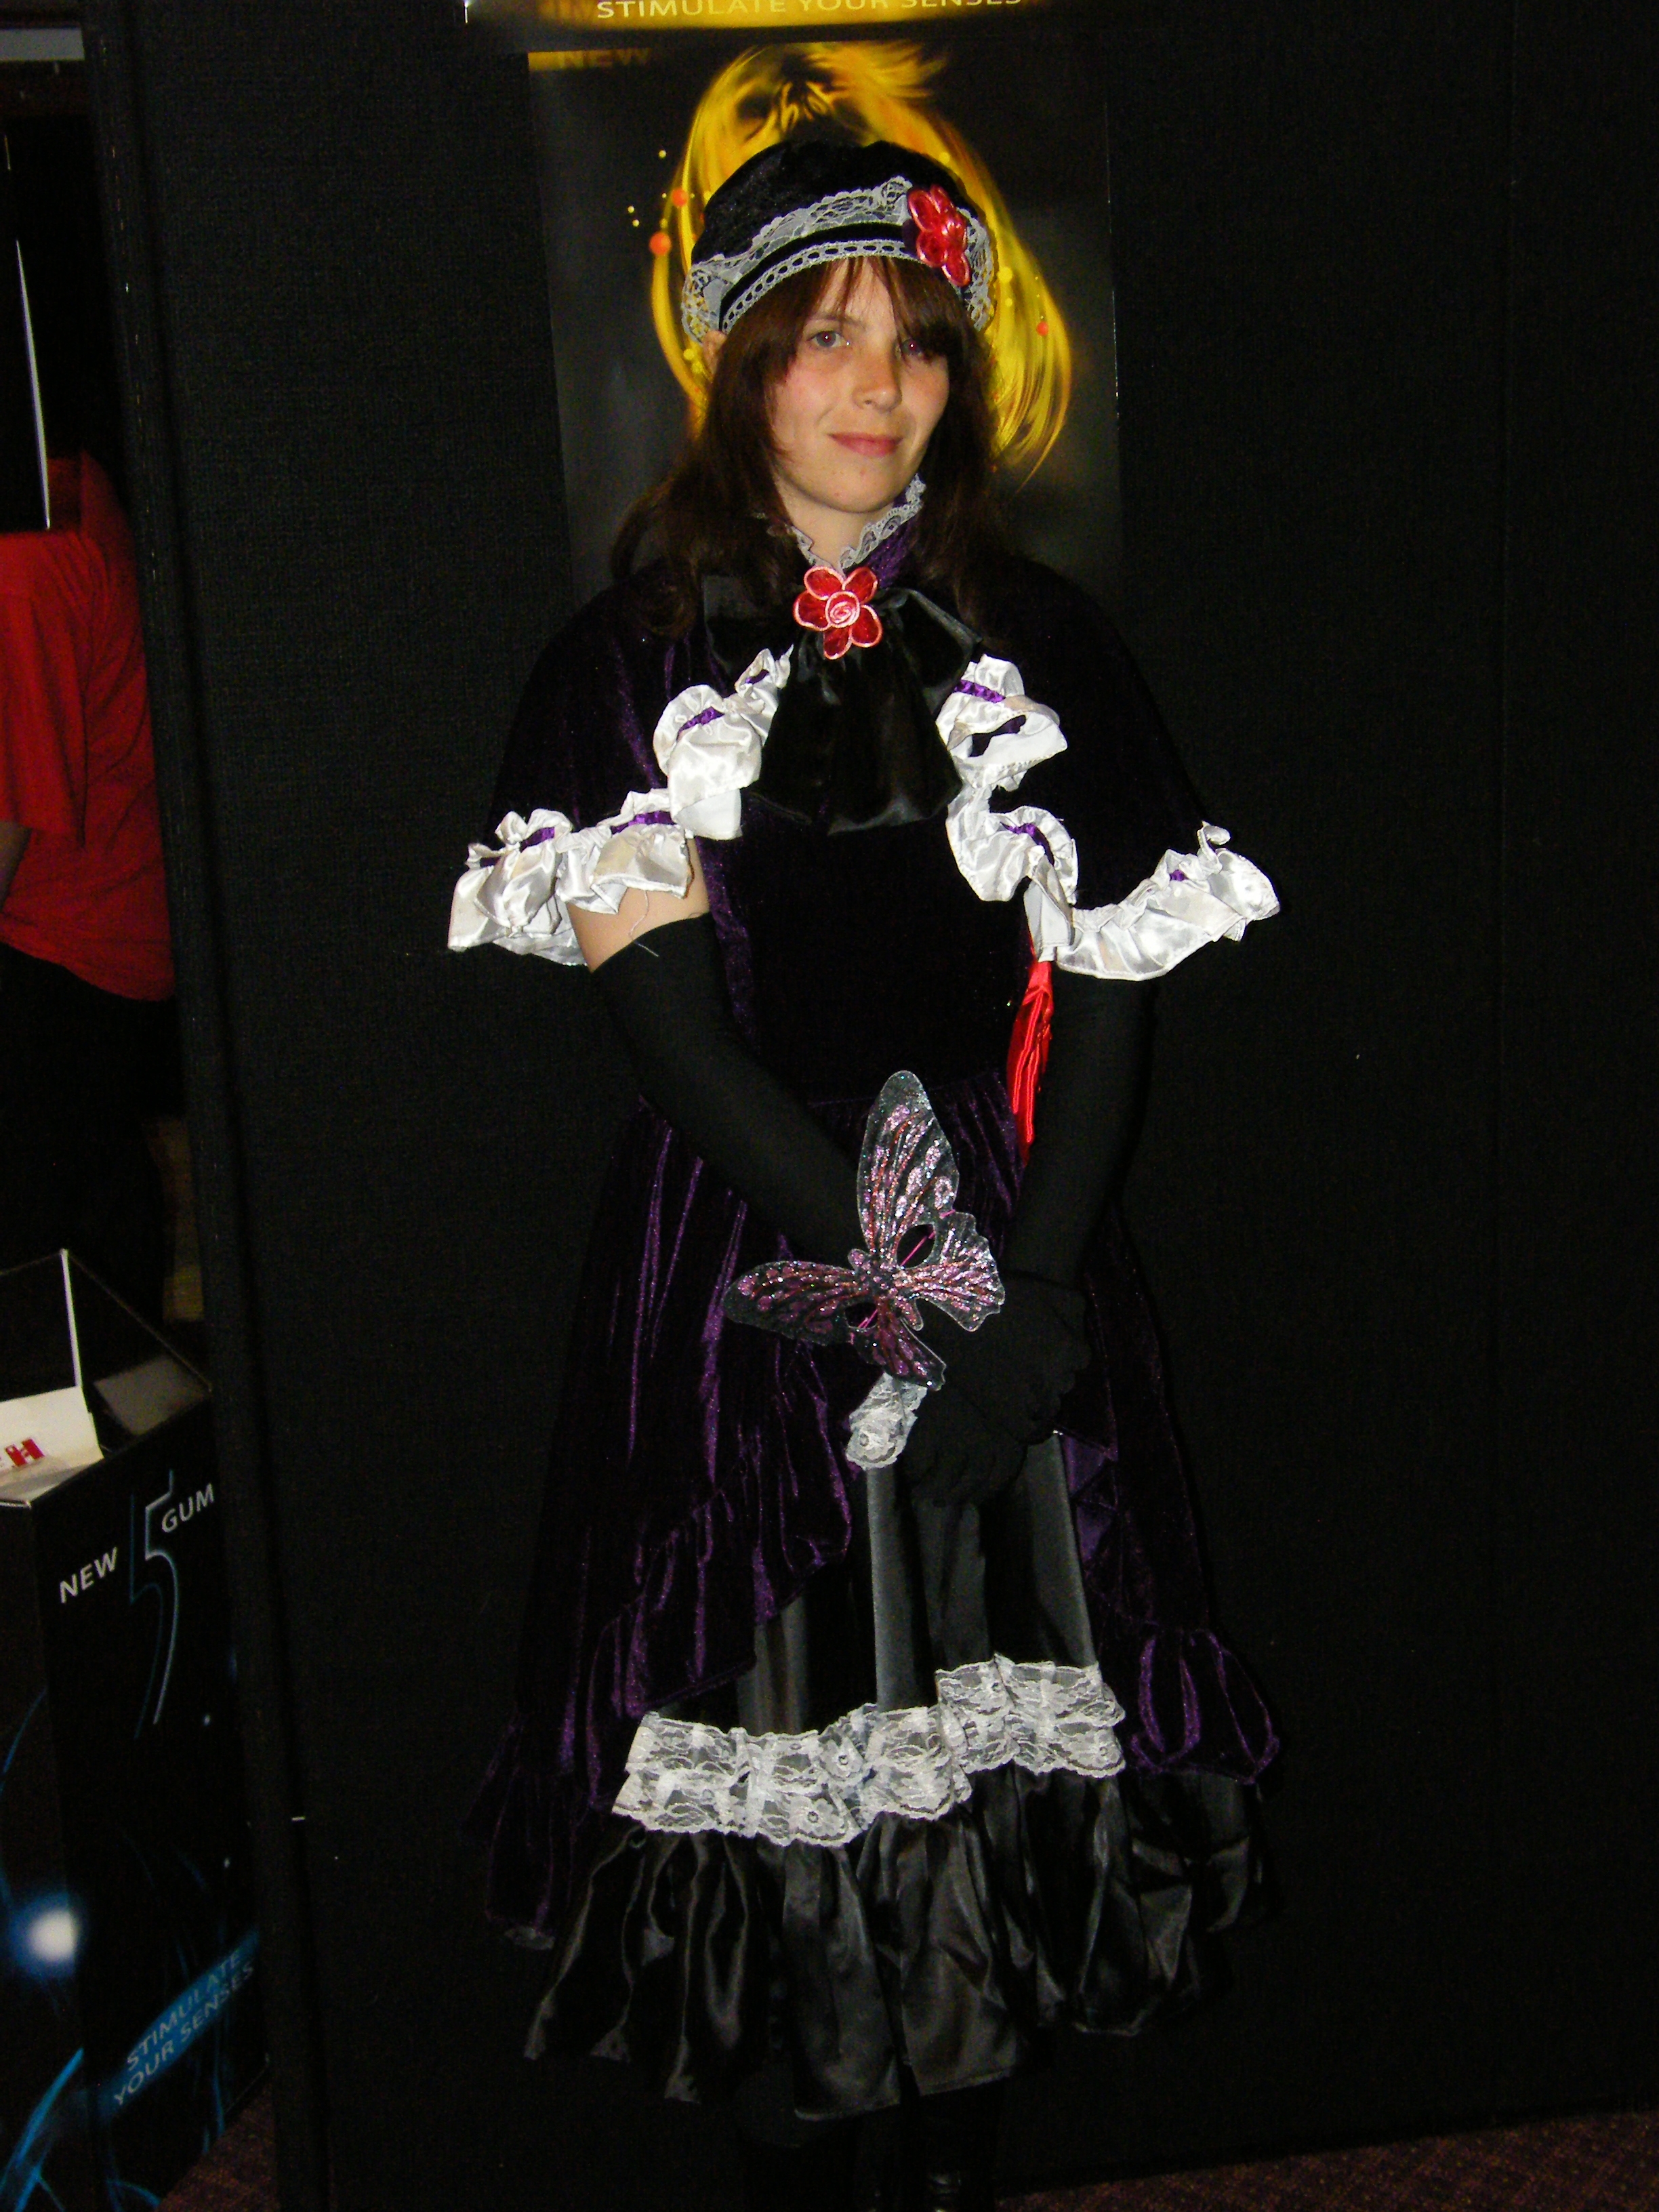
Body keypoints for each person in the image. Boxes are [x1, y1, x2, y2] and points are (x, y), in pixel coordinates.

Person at [451, 140, 1279, 2212]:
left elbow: (1109, 991)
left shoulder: (1038, 640)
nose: (877, 386)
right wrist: (933, 1292)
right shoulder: (635, 663)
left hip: (1015, 1244)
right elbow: (672, 1037)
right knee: (787, 1804)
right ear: (739, 364)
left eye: (913, 345)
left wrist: (1039, 1301)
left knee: (987, 1812)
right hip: (757, 1265)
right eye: (827, 340)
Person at [0, 447, 175, 1321]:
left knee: (52, 1304)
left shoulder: (27, 550)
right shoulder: (56, 484)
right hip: (79, 961)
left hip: (57, 962)